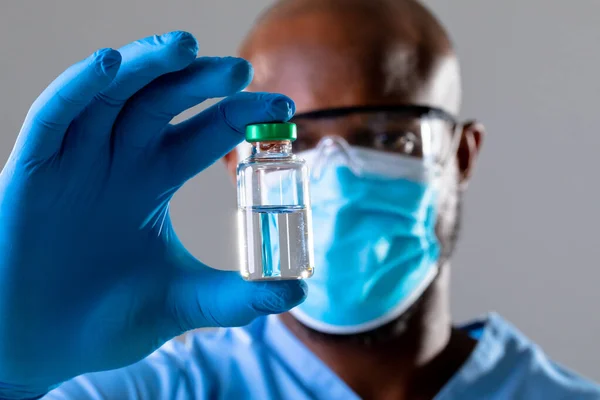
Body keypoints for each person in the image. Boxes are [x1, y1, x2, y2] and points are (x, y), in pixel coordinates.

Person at [0, 0, 598, 399]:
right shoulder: (132, 389)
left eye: (388, 135)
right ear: (237, 162)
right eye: (290, 140)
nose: (336, 174)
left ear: (462, 153)